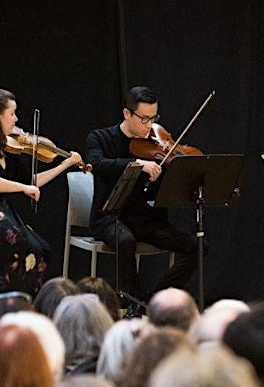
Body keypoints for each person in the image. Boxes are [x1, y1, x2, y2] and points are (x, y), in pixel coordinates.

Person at [0, 88, 83, 295]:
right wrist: (24, 188)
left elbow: (31, 181)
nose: (16, 119)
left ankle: (24, 299)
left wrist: (64, 164)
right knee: (20, 247)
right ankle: (2, 297)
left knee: (42, 250)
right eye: (12, 113)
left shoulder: (5, 146)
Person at [86, 86, 201, 305]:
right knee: (125, 241)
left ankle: (153, 300)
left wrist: (169, 174)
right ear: (127, 114)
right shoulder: (100, 137)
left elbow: (163, 189)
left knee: (197, 246)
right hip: (109, 217)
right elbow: (95, 163)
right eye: (144, 119)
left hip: (144, 219)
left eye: (153, 118)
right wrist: (136, 163)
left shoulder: (156, 144)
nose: (150, 125)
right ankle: (133, 304)